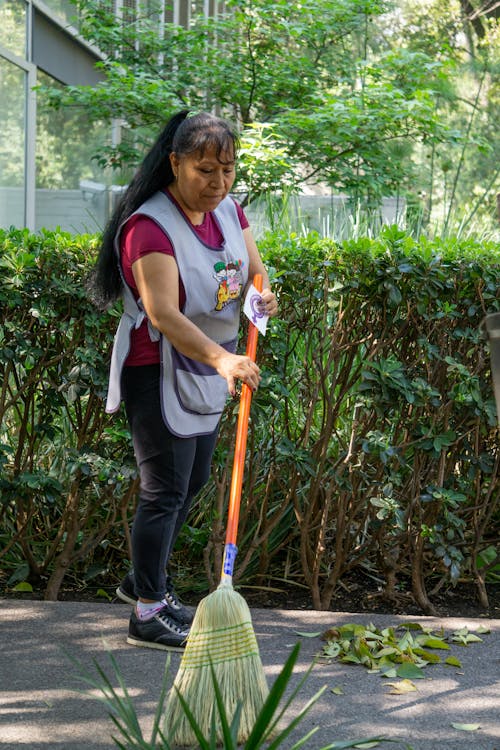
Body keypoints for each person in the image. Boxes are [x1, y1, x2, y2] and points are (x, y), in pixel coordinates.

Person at [90, 110, 278, 651]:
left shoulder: (228, 211)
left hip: (208, 365)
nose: (217, 183)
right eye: (204, 170)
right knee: (165, 489)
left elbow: (253, 273)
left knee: (190, 483)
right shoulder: (149, 227)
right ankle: (146, 612)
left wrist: (261, 299)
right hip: (159, 369)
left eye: (227, 169)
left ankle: (142, 583)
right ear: (175, 163)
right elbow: (165, 315)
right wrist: (224, 361)